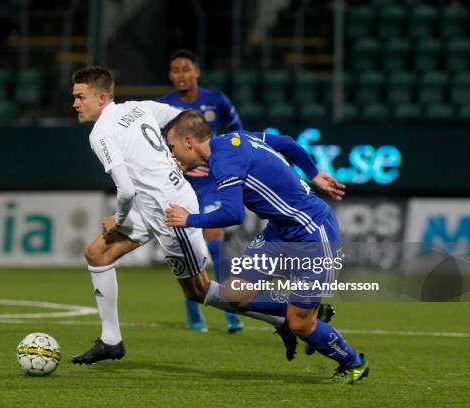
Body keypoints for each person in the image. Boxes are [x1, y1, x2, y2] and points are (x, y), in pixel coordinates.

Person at [69, 66, 296, 365]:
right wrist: (177, 158)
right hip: (152, 206)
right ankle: (111, 340)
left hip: (171, 213)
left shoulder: (101, 134)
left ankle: (287, 314)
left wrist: (119, 220)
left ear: (102, 97)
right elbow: (184, 115)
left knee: (198, 291)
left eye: (80, 97)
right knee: (97, 254)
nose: (74, 104)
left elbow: (124, 190)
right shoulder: (139, 108)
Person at [164, 110, 369, 384]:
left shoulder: (225, 161)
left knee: (300, 325)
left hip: (313, 234)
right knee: (236, 293)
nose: (173, 155)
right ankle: (308, 312)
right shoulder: (233, 139)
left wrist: (189, 219)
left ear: (189, 142)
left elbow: (233, 214)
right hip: (279, 232)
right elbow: (285, 142)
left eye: (173, 147)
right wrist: (313, 174)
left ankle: (354, 363)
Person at [157, 49, 243, 333]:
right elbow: (154, 147)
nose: (180, 75)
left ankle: (231, 310)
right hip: (179, 185)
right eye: (175, 70)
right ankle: (193, 312)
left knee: (215, 244)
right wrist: (178, 164)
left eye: (185, 69)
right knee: (187, 250)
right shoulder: (163, 106)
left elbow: (236, 133)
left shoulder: (216, 100)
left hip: (210, 183)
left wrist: (225, 161)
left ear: (197, 72)